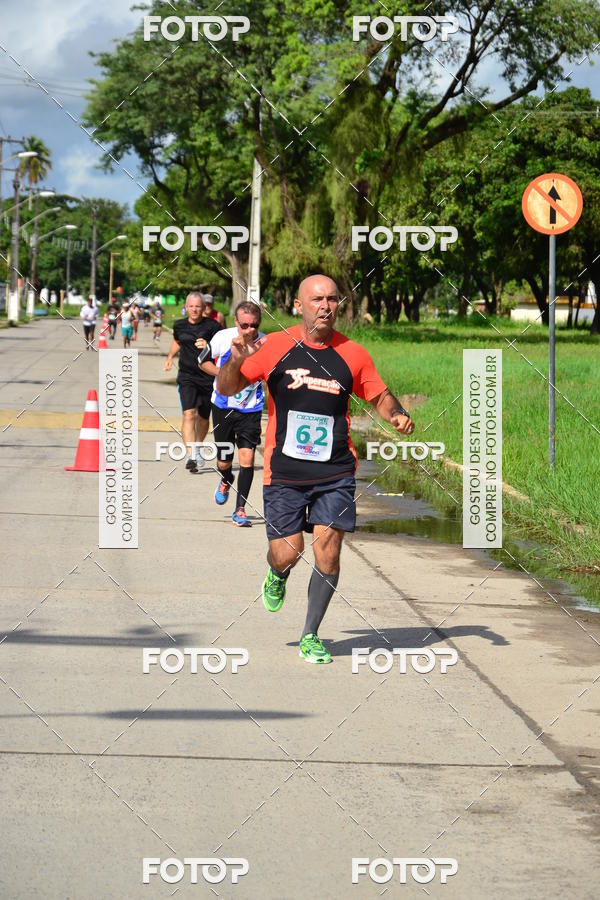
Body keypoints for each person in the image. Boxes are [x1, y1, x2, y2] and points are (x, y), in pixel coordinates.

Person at [217, 274, 415, 665]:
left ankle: (311, 633)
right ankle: (277, 573)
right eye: (317, 299)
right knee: (288, 552)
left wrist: (397, 415)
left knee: (329, 551)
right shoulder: (273, 346)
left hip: (335, 472)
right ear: (298, 305)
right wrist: (238, 358)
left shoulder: (353, 354)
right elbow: (226, 388)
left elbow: (379, 393)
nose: (326, 306)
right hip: (284, 471)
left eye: (332, 299)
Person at [197, 301, 265, 526]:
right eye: (244, 325)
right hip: (223, 406)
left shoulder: (264, 342)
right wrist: (225, 373)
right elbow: (202, 361)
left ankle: (240, 509)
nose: (249, 330)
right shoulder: (222, 338)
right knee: (224, 462)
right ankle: (226, 479)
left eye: (254, 325)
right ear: (236, 322)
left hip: (250, 408)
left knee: (248, 458)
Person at [164, 292, 221, 473]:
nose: (195, 309)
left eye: (198, 306)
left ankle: (198, 447)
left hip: (207, 377)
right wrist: (170, 356)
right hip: (186, 376)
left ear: (203, 308)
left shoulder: (213, 326)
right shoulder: (179, 325)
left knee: (204, 418)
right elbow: (177, 341)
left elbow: (222, 348)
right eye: (192, 306)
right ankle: (191, 454)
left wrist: (209, 345)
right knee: (189, 414)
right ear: (186, 307)